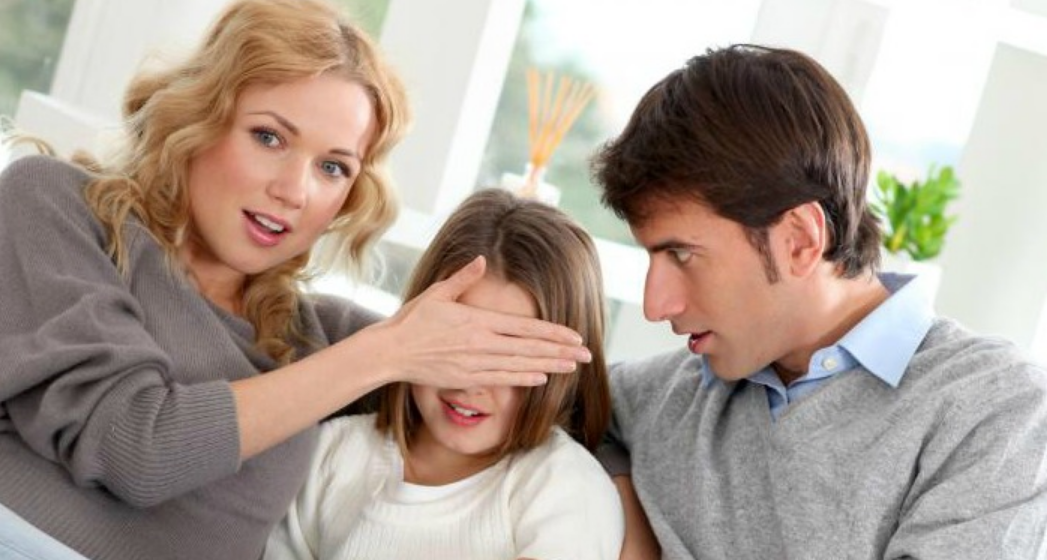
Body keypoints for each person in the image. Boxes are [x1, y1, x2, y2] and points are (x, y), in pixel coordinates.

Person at [0, 1, 592, 559]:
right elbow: (134, 448)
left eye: (332, 167)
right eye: (269, 137)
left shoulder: (313, 337)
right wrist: (386, 353)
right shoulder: (56, 206)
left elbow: (565, 395)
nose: (294, 191)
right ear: (198, 116)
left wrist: (614, 490)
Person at [592, 44, 1047, 559]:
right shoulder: (659, 397)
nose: (655, 305)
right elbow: (558, 404)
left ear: (799, 240)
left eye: (682, 254)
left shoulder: (993, 408)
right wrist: (633, 529)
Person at [265, 188, 624, 560]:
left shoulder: (563, 487)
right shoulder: (332, 454)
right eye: (455, 342)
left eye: (508, 354)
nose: (470, 380)